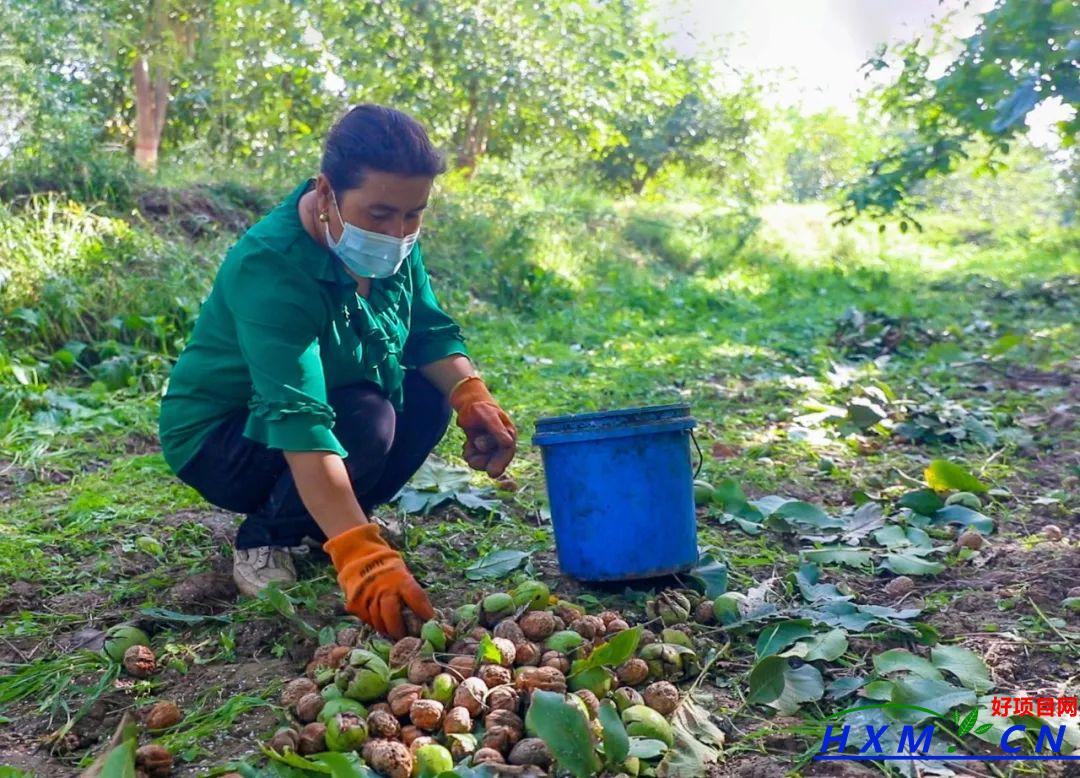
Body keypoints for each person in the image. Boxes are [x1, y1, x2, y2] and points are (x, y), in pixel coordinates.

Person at [158, 104, 517, 639]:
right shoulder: (272, 265)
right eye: (379, 215)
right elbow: (299, 417)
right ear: (327, 193)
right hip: (224, 438)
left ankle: (331, 521)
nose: (397, 231)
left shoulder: (394, 247)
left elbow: (428, 331)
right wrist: (360, 554)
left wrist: (472, 394)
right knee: (368, 419)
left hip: (332, 411)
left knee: (425, 397)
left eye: (413, 213)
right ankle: (268, 537)